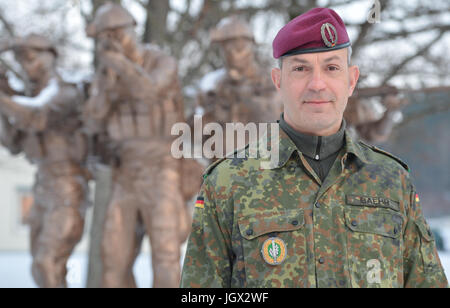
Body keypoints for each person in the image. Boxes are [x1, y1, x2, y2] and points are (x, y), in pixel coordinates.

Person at [180, 8, 448, 288]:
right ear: (278, 81)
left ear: (351, 80)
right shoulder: (226, 184)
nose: (317, 84)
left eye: (332, 68)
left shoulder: (392, 181)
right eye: (300, 69)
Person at [84, 3, 192, 288]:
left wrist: (119, 62)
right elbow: (93, 121)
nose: (112, 42)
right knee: (113, 257)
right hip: (125, 174)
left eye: (117, 34)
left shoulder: (161, 61)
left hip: (162, 171)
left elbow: (148, 92)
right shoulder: (107, 72)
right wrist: (107, 80)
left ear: (131, 30)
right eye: (105, 37)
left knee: (166, 255)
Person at [0, 34, 90, 288]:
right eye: (20, 61)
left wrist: (5, 100)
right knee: (42, 268)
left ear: (49, 57)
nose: (25, 66)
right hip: (42, 187)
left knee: (46, 262)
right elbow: (12, 143)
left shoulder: (65, 92)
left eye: (30, 58)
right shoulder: (26, 98)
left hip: (68, 188)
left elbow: (36, 118)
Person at [195, 15, 282, 159]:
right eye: (226, 48)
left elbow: (279, 124)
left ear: (250, 47)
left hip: (263, 170)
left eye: (239, 47)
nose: (232, 54)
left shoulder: (272, 83)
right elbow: (196, 136)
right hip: (220, 170)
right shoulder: (212, 85)